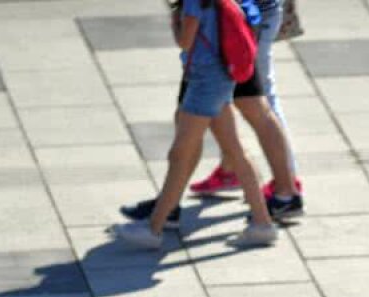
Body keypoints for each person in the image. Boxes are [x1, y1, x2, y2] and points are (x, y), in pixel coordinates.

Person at [112, 0, 278, 249]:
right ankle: (262, 224)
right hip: (221, 77)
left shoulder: (193, 2)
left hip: (204, 83)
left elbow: (185, 41)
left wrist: (174, 19)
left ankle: (153, 228)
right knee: (235, 150)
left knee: (180, 154)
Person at [189, 0, 303, 219]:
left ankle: (286, 188)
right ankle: (234, 169)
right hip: (245, 14)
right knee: (239, 99)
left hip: (240, 18)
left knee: (256, 101)